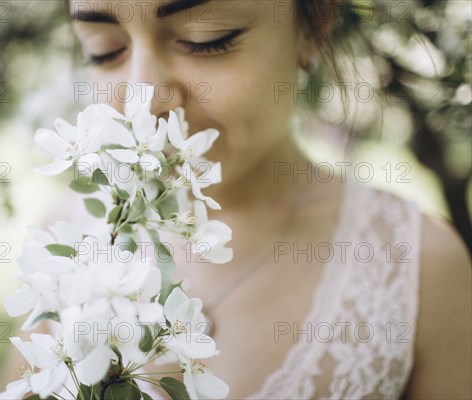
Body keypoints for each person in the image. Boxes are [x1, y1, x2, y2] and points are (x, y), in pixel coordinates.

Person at [64, 0, 471, 398]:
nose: (147, 101)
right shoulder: (67, 253)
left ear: (313, 26)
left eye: (206, 39)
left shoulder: (419, 269)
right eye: (105, 50)